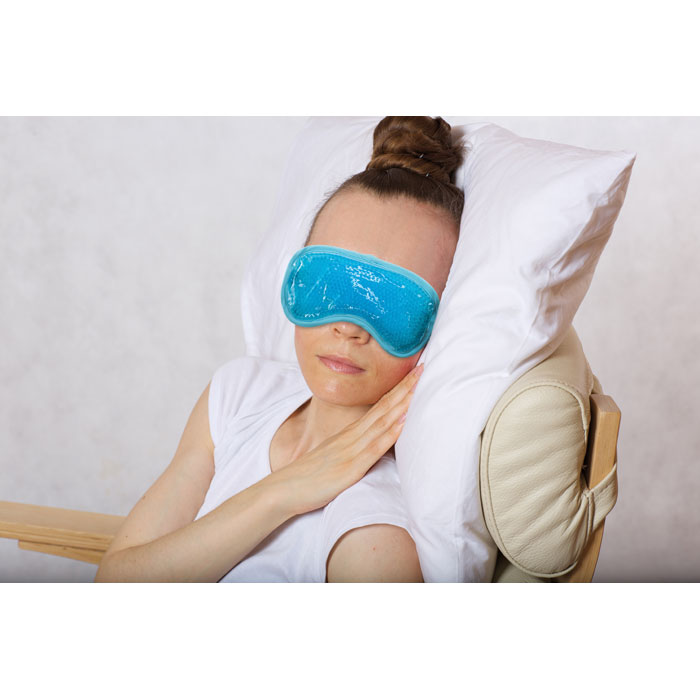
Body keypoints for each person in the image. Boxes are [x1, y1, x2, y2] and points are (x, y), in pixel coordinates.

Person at [94, 116, 465, 583]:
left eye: (392, 304)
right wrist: (283, 492)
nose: (349, 327)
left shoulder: (373, 535)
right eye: (327, 283)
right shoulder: (238, 394)